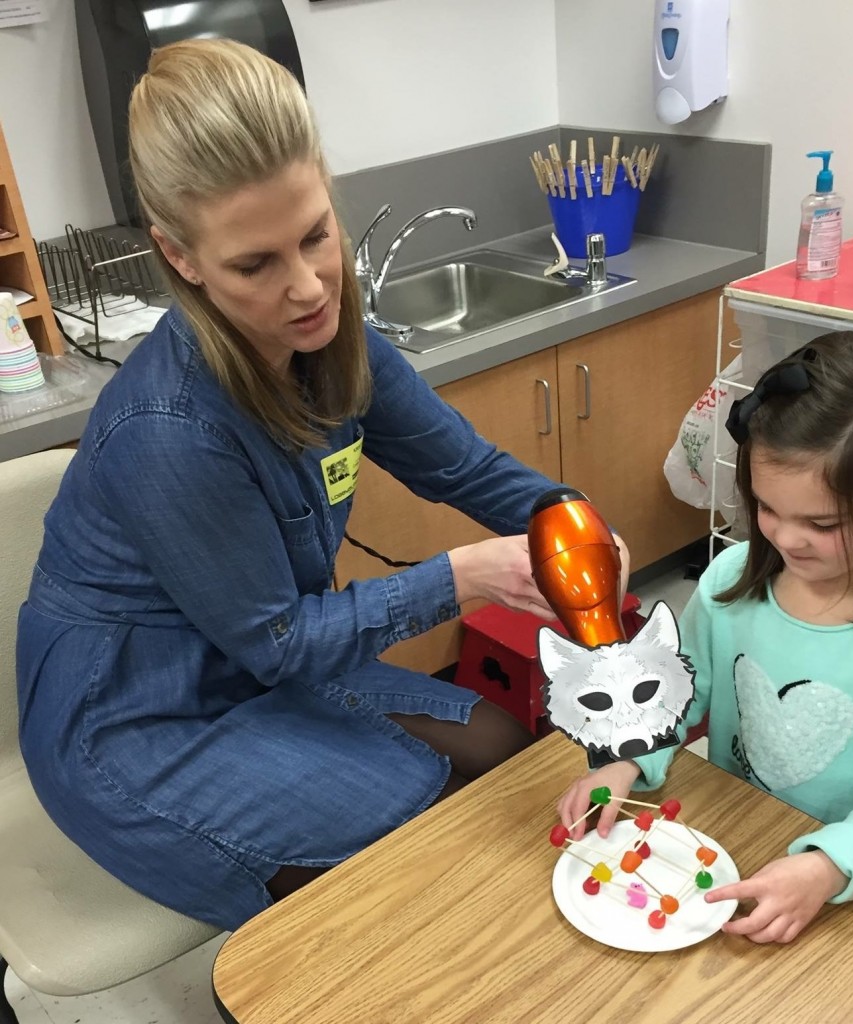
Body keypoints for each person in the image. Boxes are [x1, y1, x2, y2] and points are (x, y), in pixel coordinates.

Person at [16, 38, 628, 931]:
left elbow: (465, 467)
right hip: (137, 725)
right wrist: (465, 577)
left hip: (250, 660)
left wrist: (566, 517)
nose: (308, 288)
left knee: (501, 746)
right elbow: (280, 644)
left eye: (315, 236)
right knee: (415, 847)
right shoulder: (170, 432)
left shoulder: (335, 344)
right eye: (255, 265)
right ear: (180, 257)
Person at [557, 330, 853, 944]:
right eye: (767, 508)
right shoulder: (731, 580)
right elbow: (676, 694)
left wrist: (827, 867)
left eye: (822, 522)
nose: (784, 537)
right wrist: (627, 762)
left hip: (850, 895)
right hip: (738, 839)